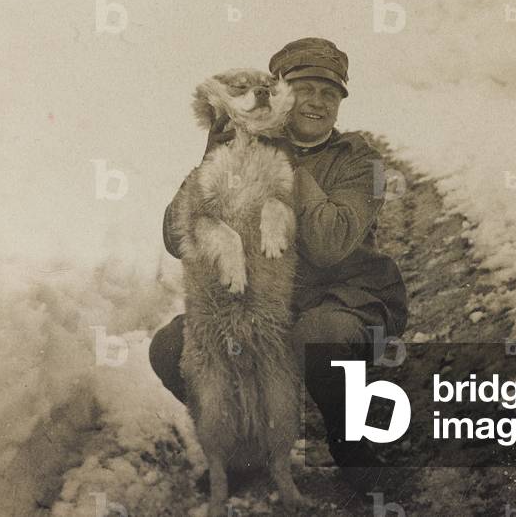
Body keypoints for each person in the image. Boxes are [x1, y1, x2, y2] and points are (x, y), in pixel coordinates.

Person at [149, 37, 408, 484]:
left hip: (344, 302)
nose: (317, 102)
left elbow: (329, 243)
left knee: (321, 334)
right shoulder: (239, 149)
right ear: (280, 95)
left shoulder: (361, 161)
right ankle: (243, 450)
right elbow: (176, 236)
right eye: (304, 89)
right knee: (172, 346)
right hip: (267, 306)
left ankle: (349, 439)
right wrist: (217, 159)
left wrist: (283, 164)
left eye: (330, 93)